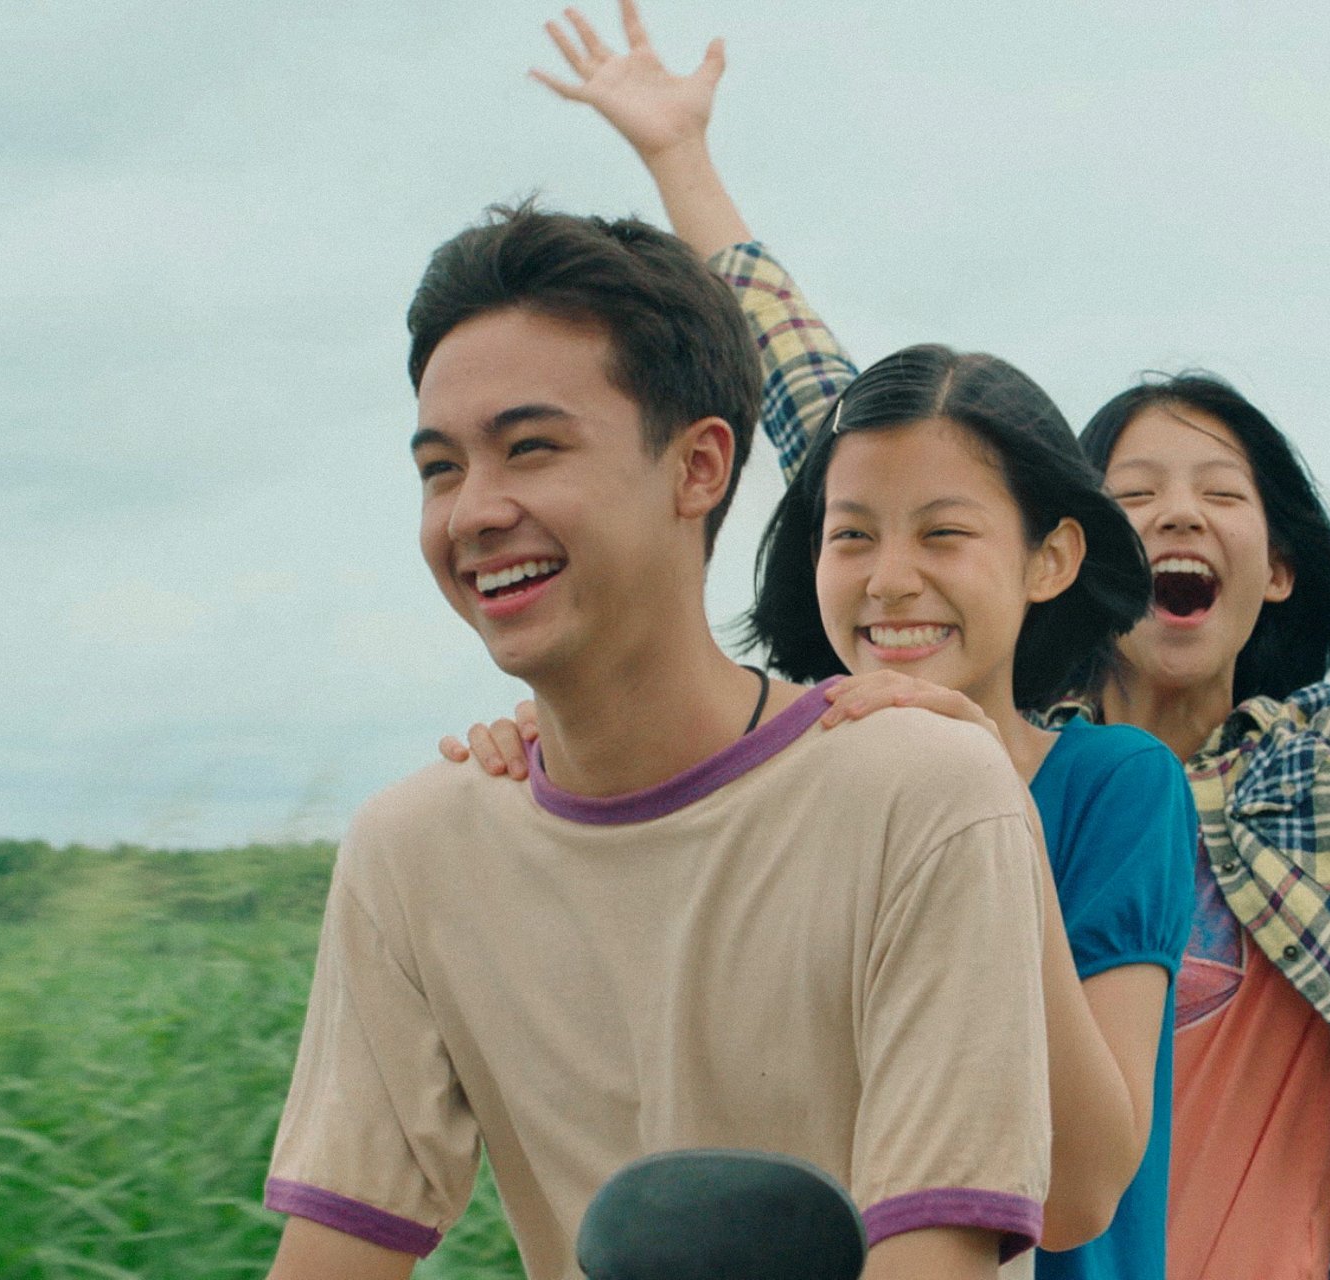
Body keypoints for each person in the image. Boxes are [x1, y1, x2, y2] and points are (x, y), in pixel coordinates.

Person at [465, 2, 1330, 1276]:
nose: (1179, 513)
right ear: (1072, 560)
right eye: (1137, 496)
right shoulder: (946, 770)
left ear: (1278, 565)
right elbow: (845, 439)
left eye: (1220, 493)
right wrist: (687, 164)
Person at [262, 203, 1056, 1280]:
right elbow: (332, 1253)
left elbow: (938, 1254)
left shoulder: (919, 791)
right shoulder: (413, 851)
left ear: (698, 468)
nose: (475, 512)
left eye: (531, 448)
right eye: (440, 468)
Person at [453, 163, 1200, 1280]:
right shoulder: (779, 775)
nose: (889, 579)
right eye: (851, 535)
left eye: (944, 535)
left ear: (1050, 556)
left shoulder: (1116, 784)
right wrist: (559, 765)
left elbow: (1088, 1187)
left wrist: (980, 794)